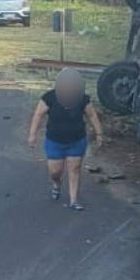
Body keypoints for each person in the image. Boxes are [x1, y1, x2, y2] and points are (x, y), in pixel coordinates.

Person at [27, 68, 105, 211]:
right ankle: (57, 183)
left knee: (74, 168)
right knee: (55, 171)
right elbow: (38, 115)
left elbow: (92, 115)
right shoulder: (49, 97)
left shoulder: (82, 98)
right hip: (54, 142)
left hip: (77, 140)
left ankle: (73, 201)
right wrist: (32, 135)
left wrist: (99, 133)